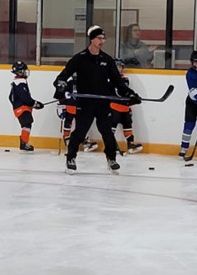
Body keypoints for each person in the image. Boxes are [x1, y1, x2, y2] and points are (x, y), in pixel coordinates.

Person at [53, 25, 139, 174]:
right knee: (80, 132)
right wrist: (60, 84)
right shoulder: (79, 58)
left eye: (103, 38)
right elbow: (63, 75)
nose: (102, 41)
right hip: (85, 103)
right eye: (99, 38)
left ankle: (111, 159)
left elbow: (118, 82)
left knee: (107, 132)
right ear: (92, 39)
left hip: (102, 103)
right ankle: (71, 158)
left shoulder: (107, 60)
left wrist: (130, 94)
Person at [8, 60, 44, 151]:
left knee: (27, 123)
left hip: (21, 107)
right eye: (23, 70)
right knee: (27, 123)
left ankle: (24, 142)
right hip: (22, 108)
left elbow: (10, 97)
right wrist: (35, 103)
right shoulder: (20, 82)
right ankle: (24, 143)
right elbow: (25, 98)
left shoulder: (17, 81)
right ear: (19, 72)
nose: (26, 71)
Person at [109, 58, 144, 154]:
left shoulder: (125, 79)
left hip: (124, 107)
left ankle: (130, 144)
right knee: (111, 127)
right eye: (117, 66)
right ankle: (112, 145)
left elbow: (124, 92)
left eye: (120, 67)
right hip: (114, 106)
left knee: (128, 125)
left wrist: (133, 99)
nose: (119, 68)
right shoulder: (109, 79)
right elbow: (119, 92)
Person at [56, 77, 98, 153]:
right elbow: (60, 95)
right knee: (68, 123)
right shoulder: (67, 83)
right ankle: (68, 143)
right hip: (70, 107)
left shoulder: (85, 82)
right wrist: (60, 107)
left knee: (82, 126)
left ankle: (85, 143)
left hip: (80, 108)